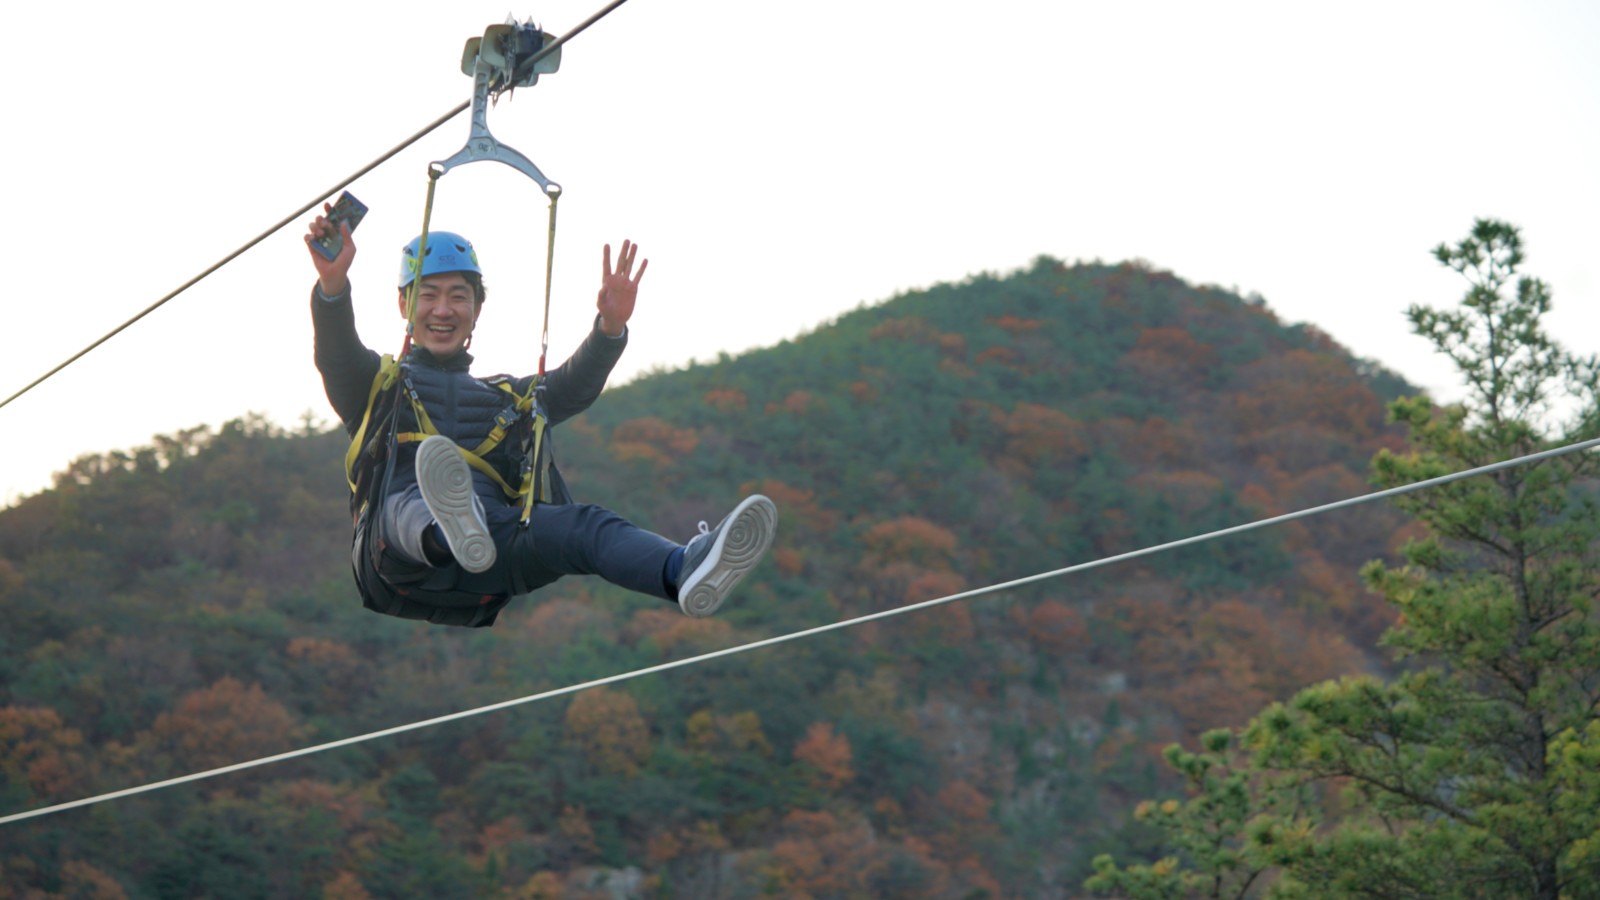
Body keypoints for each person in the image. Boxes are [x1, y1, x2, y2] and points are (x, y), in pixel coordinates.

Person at [305, 210, 777, 627]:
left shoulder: (508, 398)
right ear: (404, 305)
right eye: (428, 295)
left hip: (493, 552)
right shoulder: (376, 387)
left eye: (458, 297)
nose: (443, 310)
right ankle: (449, 529)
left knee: (585, 525)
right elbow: (336, 353)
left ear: (477, 309)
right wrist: (332, 286)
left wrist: (610, 328)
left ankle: (683, 568)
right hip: (396, 554)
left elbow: (572, 386)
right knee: (411, 504)